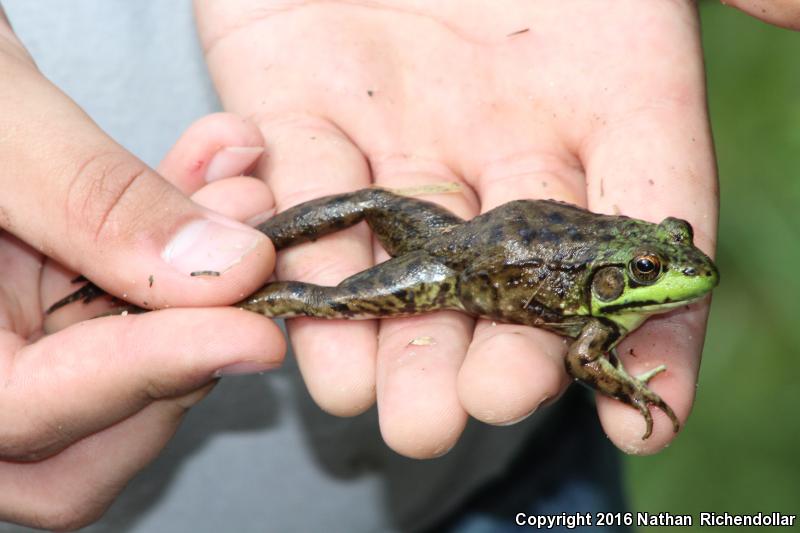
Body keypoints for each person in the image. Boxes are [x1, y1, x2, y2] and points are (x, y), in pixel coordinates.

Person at [0, 1, 793, 531]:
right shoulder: (600, 316)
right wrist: (621, 376)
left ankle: (241, 269)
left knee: (364, 218)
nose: (680, 272)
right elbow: (587, 355)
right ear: (627, 272)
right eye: (658, 265)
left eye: (664, 255)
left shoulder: (612, 285)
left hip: (497, 455)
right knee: (336, 296)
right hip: (456, 260)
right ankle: (245, 281)